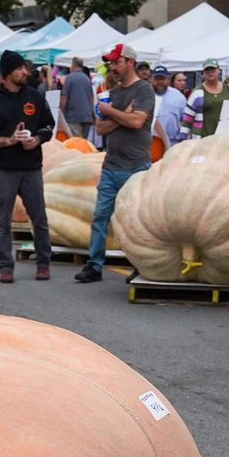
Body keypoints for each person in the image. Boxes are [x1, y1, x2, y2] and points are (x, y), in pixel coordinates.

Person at [74, 43, 155, 284]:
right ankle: (94, 264)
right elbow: (100, 127)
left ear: (130, 62)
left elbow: (138, 122)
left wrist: (112, 112)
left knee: (135, 220)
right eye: (110, 63)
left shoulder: (144, 90)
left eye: (117, 62)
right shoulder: (112, 93)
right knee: (100, 216)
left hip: (136, 165)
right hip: (112, 165)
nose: (113, 67)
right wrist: (122, 115)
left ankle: (140, 264)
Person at [0, 50, 54, 283]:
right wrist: (8, 140)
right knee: (2, 220)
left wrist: (37, 140)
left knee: (39, 217)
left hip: (31, 167)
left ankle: (43, 262)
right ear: (9, 72)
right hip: (5, 169)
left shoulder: (35, 97)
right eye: (21, 68)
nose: (26, 72)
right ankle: (5, 265)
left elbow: (48, 126)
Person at [185, 59, 229, 136]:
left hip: (225, 136)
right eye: (207, 71)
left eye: (213, 70)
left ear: (219, 70)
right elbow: (188, 117)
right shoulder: (197, 92)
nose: (210, 73)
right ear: (203, 73)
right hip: (203, 137)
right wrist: (183, 136)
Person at [149, 65, 186, 144]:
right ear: (151, 79)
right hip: (151, 143)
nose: (160, 82)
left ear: (168, 79)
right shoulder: (145, 94)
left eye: (162, 78)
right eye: (157, 79)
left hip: (173, 143)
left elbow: (186, 120)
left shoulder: (178, 96)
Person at [61, 57, 95, 140]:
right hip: (87, 116)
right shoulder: (87, 79)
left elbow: (64, 97)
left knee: (76, 143)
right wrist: (92, 114)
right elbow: (91, 98)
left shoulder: (69, 78)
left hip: (74, 116)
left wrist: (61, 113)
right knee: (84, 142)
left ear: (73, 65)